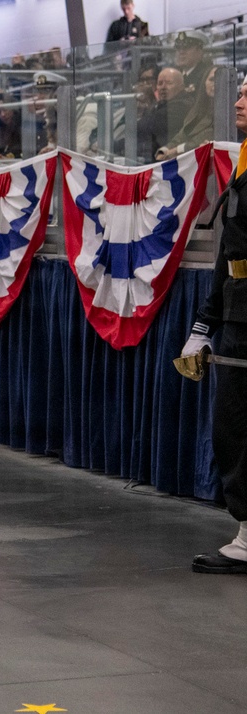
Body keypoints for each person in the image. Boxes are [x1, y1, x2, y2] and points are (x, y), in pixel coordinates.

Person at [185, 75, 247, 576]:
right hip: (236, 312)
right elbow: (229, 254)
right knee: (233, 426)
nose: (240, 100)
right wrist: (205, 325)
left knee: (239, 425)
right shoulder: (245, 160)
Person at [156, 66, 217, 160]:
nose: (215, 84)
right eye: (212, 79)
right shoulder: (197, 109)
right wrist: (164, 150)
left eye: (219, 80)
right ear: (204, 82)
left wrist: (176, 150)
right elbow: (181, 135)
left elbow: (206, 137)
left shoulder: (229, 113)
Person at [135, 67, 192, 162]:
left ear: (181, 87)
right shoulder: (160, 105)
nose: (163, 87)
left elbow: (143, 126)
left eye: (169, 83)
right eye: (160, 83)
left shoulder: (181, 106)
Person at [173, 29, 212, 98]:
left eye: (186, 48)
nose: (181, 52)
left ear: (200, 51)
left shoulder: (205, 76)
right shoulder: (174, 75)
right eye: (178, 48)